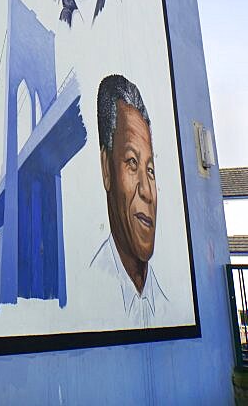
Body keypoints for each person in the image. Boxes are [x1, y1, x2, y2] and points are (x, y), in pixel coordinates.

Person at [90, 74, 167, 325]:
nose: (146, 190)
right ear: (106, 169)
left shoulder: (166, 307)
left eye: (151, 170)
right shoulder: (92, 290)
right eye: (132, 163)